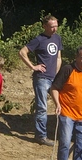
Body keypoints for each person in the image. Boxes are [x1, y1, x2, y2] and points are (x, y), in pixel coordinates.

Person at [19, 15, 62, 147]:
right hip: (42, 78)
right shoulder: (39, 39)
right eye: (52, 26)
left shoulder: (57, 38)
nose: (54, 29)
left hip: (54, 78)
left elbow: (59, 57)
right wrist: (33, 66)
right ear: (44, 26)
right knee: (42, 107)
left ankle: (62, 132)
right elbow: (22, 52)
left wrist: (56, 73)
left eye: (56, 26)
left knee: (61, 103)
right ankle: (41, 136)